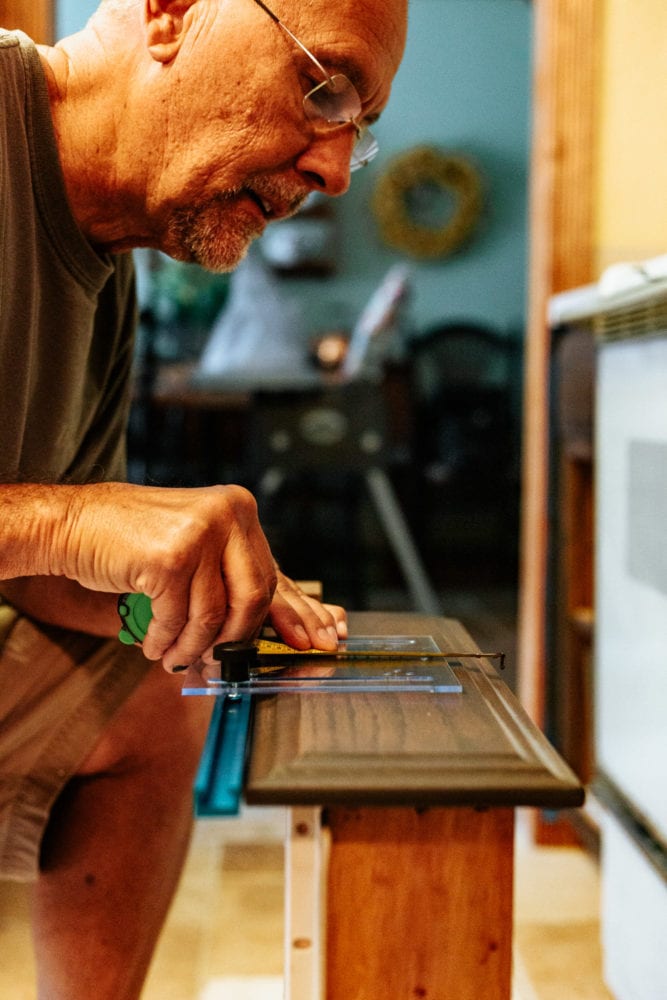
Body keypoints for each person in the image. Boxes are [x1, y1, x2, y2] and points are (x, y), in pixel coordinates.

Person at [0, 0, 408, 996]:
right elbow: (54, 534)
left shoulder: (107, 260)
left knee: (158, 690)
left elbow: (48, 579)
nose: (336, 167)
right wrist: (72, 516)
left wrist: (192, 602)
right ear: (172, 12)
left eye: (361, 125)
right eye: (325, 86)